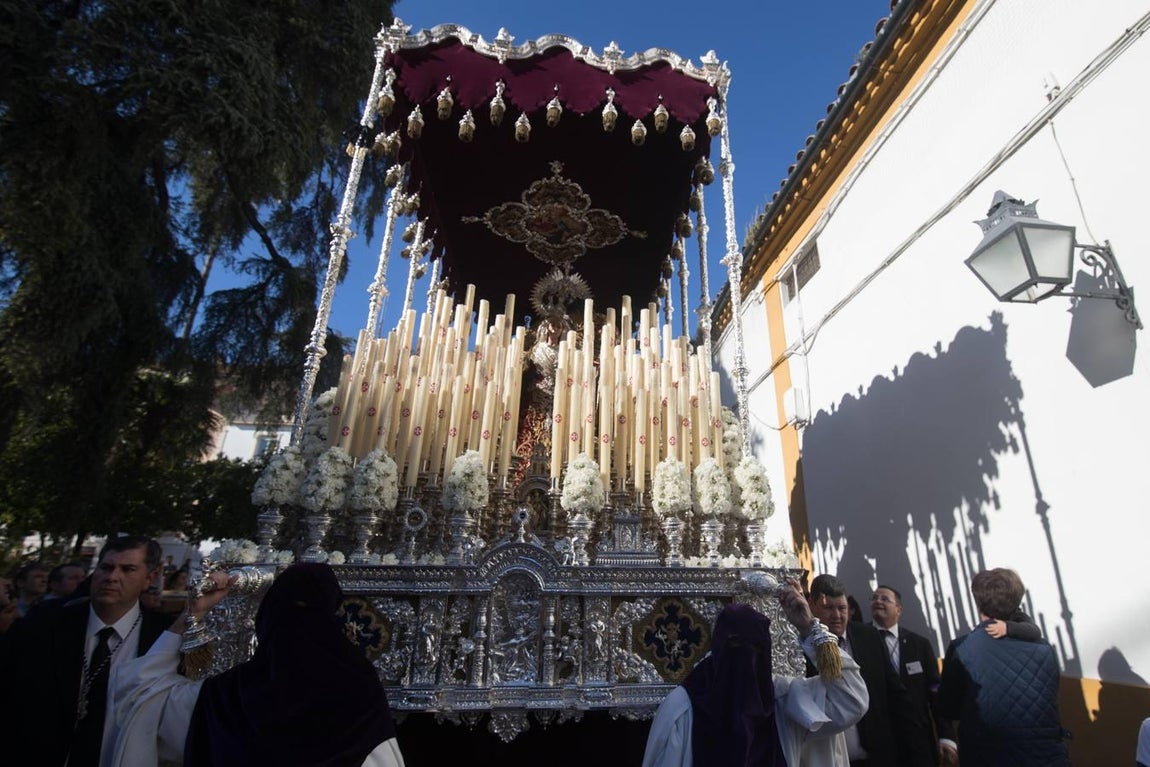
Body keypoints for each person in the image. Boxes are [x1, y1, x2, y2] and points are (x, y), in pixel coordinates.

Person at [106, 562, 405, 766]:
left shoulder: (224, 698)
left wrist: (192, 615)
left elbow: (140, 699)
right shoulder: (360, 694)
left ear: (267, 621)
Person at [642, 580, 869, 767]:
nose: (746, 659)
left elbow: (851, 701)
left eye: (756, 649)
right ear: (718, 647)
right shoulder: (682, 708)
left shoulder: (783, 699)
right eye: (735, 646)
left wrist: (810, 628)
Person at [0, 536, 172, 766]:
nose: (112, 577)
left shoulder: (165, 638)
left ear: (149, 578)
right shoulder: (41, 627)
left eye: (128, 569)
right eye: (106, 567)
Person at [937, 568, 1069, 766]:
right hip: (1045, 756)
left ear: (978, 603)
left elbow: (949, 708)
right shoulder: (1044, 649)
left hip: (987, 755)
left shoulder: (963, 649)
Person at [807, 574, 931, 767]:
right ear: (812, 605)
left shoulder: (869, 637)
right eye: (829, 608)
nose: (837, 616)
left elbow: (896, 695)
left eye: (842, 608)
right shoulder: (801, 646)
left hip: (877, 757)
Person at [869, 585, 942, 766]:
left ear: (899, 610)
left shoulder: (919, 645)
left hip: (917, 741)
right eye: (874, 598)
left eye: (885, 599)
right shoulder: (859, 639)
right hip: (878, 744)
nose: (878, 601)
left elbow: (935, 692)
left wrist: (946, 736)